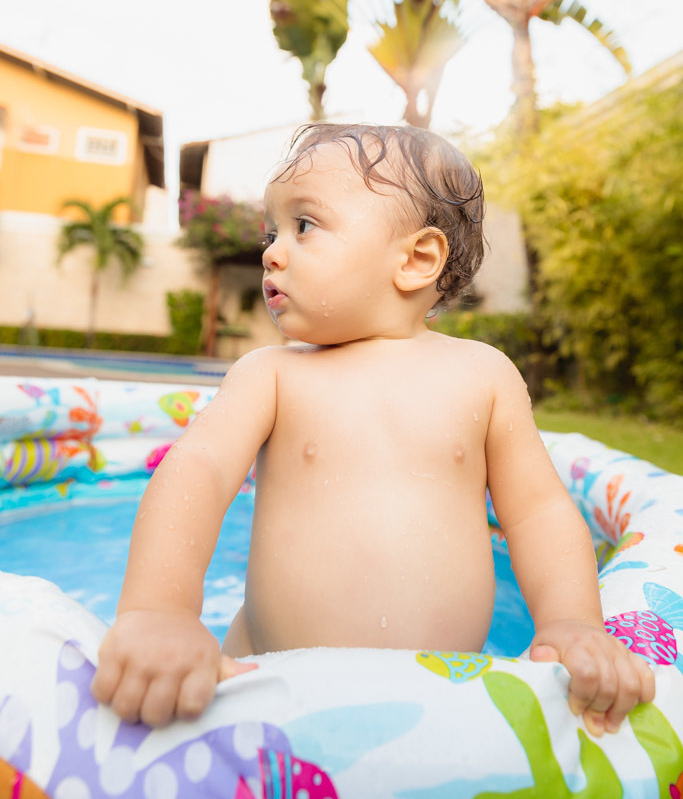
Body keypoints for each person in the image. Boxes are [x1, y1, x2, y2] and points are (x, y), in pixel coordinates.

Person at [91, 123, 655, 734]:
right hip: (273, 689)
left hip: (445, 701)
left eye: (304, 226)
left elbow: (540, 511)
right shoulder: (271, 375)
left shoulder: (484, 375)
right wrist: (162, 609)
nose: (271, 252)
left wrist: (571, 623)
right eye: (272, 231)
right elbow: (195, 471)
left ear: (415, 259)